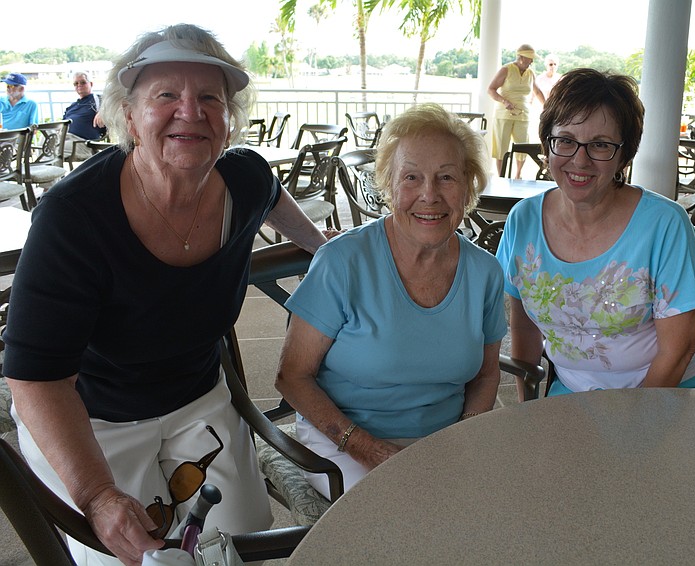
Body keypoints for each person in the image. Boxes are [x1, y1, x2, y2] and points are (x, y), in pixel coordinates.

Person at [3, 24, 331, 566]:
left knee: (238, 549)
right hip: (93, 416)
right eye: (166, 96)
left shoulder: (244, 177)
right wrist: (96, 495)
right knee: (137, 557)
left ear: (229, 120)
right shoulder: (73, 217)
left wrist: (322, 249)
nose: (191, 111)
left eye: (210, 98)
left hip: (197, 396)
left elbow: (272, 196)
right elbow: (34, 377)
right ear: (128, 116)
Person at [276, 103, 506, 499]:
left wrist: (465, 436)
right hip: (344, 441)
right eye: (412, 177)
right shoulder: (343, 261)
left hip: (441, 440)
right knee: (399, 514)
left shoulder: (485, 272)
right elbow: (291, 377)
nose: (429, 195)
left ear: (467, 186)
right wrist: (367, 448)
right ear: (389, 185)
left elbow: (485, 375)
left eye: (446, 177)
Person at [495, 68, 695, 399]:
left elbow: (679, 349)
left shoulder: (664, 224)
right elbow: (525, 325)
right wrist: (527, 406)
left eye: (600, 145)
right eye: (566, 141)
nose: (580, 160)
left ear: (624, 155)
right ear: (548, 145)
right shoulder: (524, 219)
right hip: (576, 397)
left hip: (673, 391)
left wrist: (630, 431)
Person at [487, 44, 545, 177]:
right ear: (521, 57)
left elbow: (537, 91)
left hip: (523, 114)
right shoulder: (506, 69)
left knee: (522, 146)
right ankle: (501, 176)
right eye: (530, 58)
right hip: (504, 113)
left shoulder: (530, 73)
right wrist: (504, 101)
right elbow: (491, 89)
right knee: (501, 147)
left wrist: (547, 106)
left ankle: (518, 175)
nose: (532, 61)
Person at [63, 72, 107, 159]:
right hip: (65, 138)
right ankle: (45, 170)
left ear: (90, 84)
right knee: (45, 140)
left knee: (53, 151)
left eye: (83, 82)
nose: (79, 85)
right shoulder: (72, 106)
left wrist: (103, 111)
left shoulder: (100, 100)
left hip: (82, 143)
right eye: (76, 83)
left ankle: (49, 170)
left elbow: (117, 105)